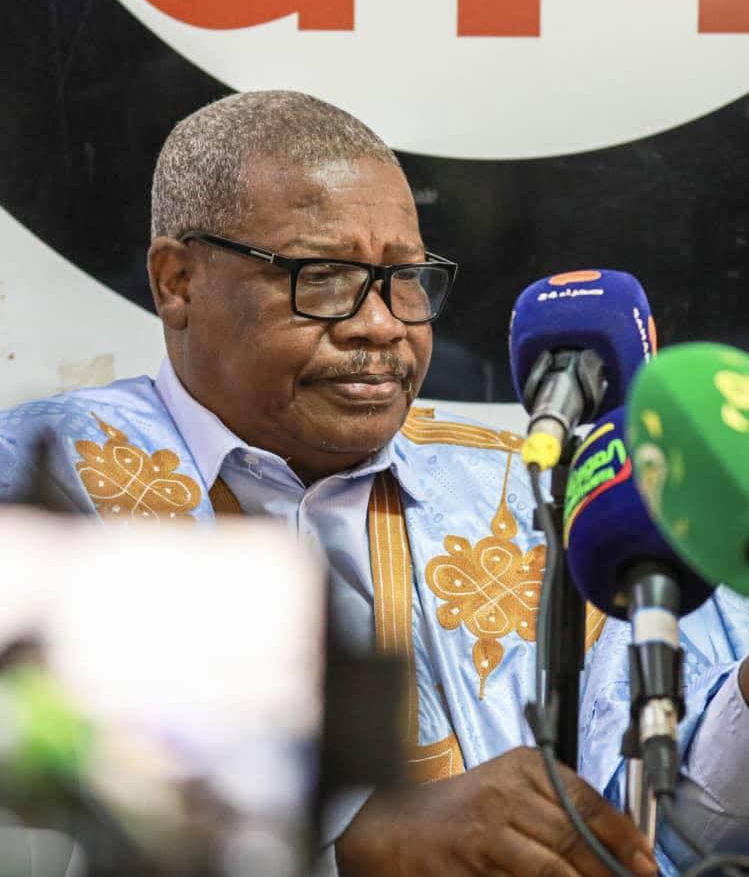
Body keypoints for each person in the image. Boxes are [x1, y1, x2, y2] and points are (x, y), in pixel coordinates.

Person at [1, 91, 748, 875]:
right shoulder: (38, 491)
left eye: (405, 279)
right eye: (323, 276)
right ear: (178, 281)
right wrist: (354, 839)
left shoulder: (539, 496)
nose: (382, 323)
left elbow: (677, 828)